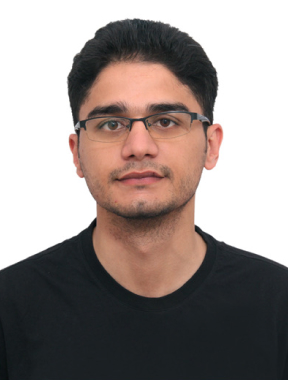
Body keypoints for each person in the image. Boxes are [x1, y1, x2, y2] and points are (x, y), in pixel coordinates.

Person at [0, 18, 287, 380]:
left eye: (166, 120)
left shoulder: (277, 306)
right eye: (111, 124)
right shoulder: (10, 311)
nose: (138, 147)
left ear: (211, 145)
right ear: (77, 154)